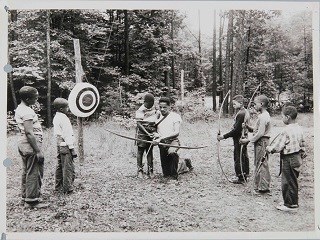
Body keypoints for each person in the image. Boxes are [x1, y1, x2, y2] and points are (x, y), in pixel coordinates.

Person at [266, 106, 306, 212]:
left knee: (287, 182)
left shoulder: (286, 130)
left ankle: (290, 205)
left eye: (282, 117)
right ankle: (291, 202)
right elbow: (302, 144)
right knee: (293, 180)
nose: (282, 119)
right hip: (297, 157)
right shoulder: (299, 128)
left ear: (287, 117)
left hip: (289, 158)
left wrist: (270, 149)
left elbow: (278, 146)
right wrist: (302, 153)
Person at [14, 86, 48, 209]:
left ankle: (25, 197)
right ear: (28, 99)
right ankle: (32, 201)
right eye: (35, 97)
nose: (37, 99)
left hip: (23, 143)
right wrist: (38, 150)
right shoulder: (27, 111)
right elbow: (29, 132)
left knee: (27, 170)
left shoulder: (20, 108)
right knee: (34, 171)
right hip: (30, 144)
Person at [240, 95, 271, 194]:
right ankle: (260, 186)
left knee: (261, 163)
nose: (254, 105)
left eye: (255, 103)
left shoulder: (263, 116)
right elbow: (257, 130)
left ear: (261, 104)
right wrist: (248, 127)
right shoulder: (263, 115)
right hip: (260, 142)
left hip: (262, 142)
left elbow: (260, 133)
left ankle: (263, 188)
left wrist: (248, 140)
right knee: (259, 163)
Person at [217, 95, 250, 184]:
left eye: (235, 104)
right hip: (243, 137)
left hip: (239, 138)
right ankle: (245, 174)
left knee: (238, 156)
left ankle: (240, 177)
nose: (233, 106)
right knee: (243, 155)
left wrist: (223, 136)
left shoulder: (241, 114)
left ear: (241, 103)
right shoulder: (244, 111)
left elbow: (236, 131)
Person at [153, 97, 182, 180]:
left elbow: (176, 132)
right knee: (166, 173)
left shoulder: (175, 116)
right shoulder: (157, 117)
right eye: (160, 107)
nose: (162, 109)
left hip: (173, 141)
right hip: (162, 144)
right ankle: (183, 163)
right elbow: (152, 129)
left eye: (164, 107)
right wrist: (155, 135)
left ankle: (174, 176)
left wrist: (161, 137)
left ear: (170, 107)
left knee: (172, 153)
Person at [53, 98, 77, 193]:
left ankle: (58, 187)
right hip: (66, 145)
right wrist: (72, 148)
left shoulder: (56, 117)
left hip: (60, 144)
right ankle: (68, 188)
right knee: (67, 167)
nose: (68, 109)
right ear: (62, 109)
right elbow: (67, 135)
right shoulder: (64, 118)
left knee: (60, 166)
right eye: (67, 107)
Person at [135, 93, 161, 179]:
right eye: (149, 103)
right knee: (140, 151)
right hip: (142, 133)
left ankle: (150, 170)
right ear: (145, 102)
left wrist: (154, 132)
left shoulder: (154, 109)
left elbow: (157, 119)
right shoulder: (140, 110)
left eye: (152, 103)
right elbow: (139, 124)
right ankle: (140, 170)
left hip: (151, 131)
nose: (151, 104)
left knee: (149, 151)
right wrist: (147, 132)